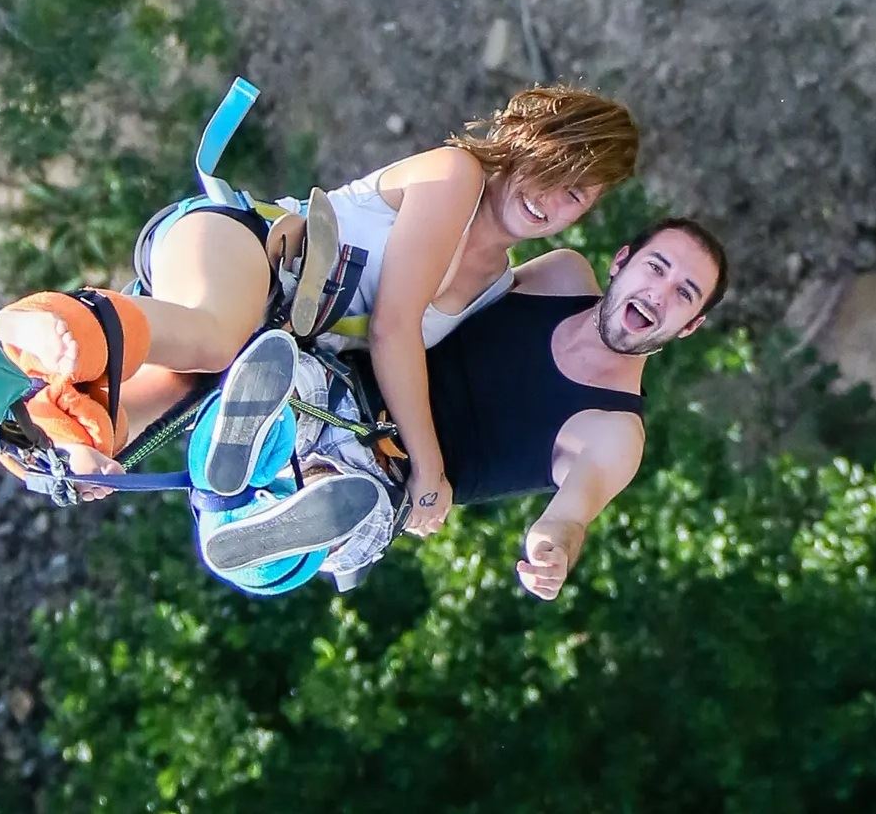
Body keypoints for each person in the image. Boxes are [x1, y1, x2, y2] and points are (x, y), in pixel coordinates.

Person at [0, 83, 639, 503]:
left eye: (575, 195)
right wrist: (430, 469)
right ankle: (54, 324)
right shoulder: (458, 177)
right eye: (550, 170)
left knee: (135, 421)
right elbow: (392, 329)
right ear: (520, 142)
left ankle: (50, 426)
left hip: (260, 340)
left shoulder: (497, 284)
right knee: (215, 334)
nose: (550, 199)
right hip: (242, 247)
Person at [193, 217, 729, 598]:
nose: (659, 294)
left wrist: (553, 551)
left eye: (684, 294)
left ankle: (257, 522)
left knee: (341, 503)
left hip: (390, 480)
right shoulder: (561, 275)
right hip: (348, 388)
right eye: (656, 269)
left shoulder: (615, 433)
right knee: (282, 377)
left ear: (690, 326)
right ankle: (237, 457)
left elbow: (569, 515)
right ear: (621, 262)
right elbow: (459, 293)